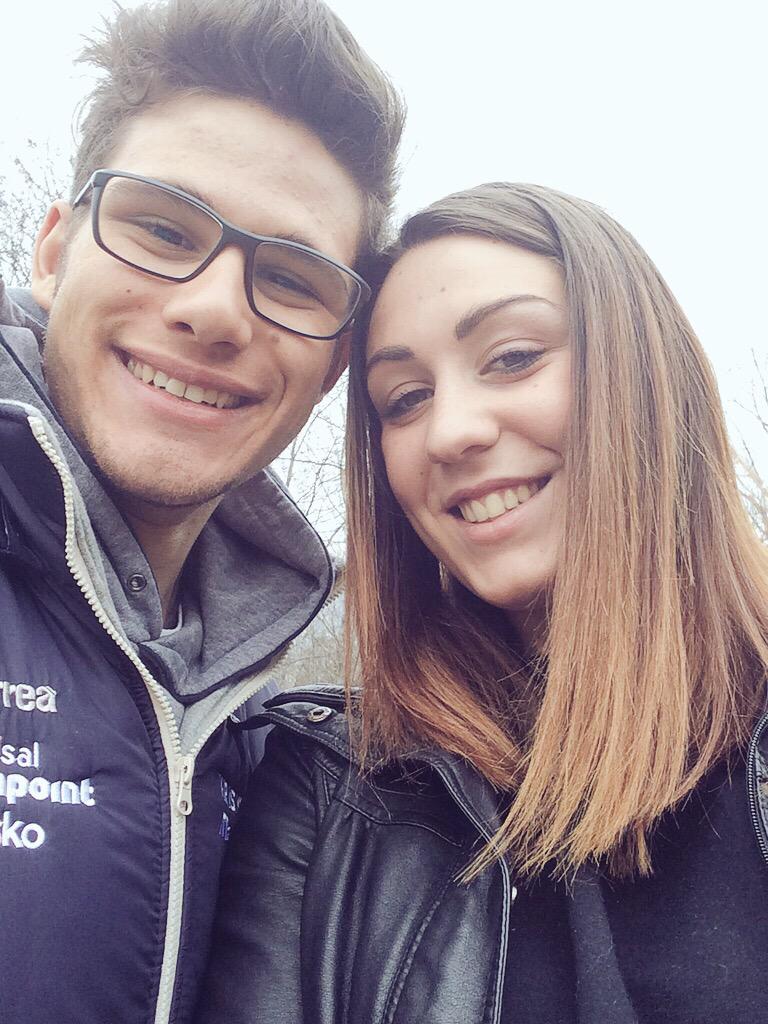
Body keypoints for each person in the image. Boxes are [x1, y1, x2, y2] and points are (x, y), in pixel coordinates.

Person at [196, 182, 768, 1024]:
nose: (450, 431)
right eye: (405, 399)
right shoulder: (327, 795)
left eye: (513, 357)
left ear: (647, 370)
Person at [0, 0, 403, 1021]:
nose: (215, 310)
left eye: (294, 278)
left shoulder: (266, 741)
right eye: (161, 228)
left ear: (332, 367)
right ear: (52, 252)